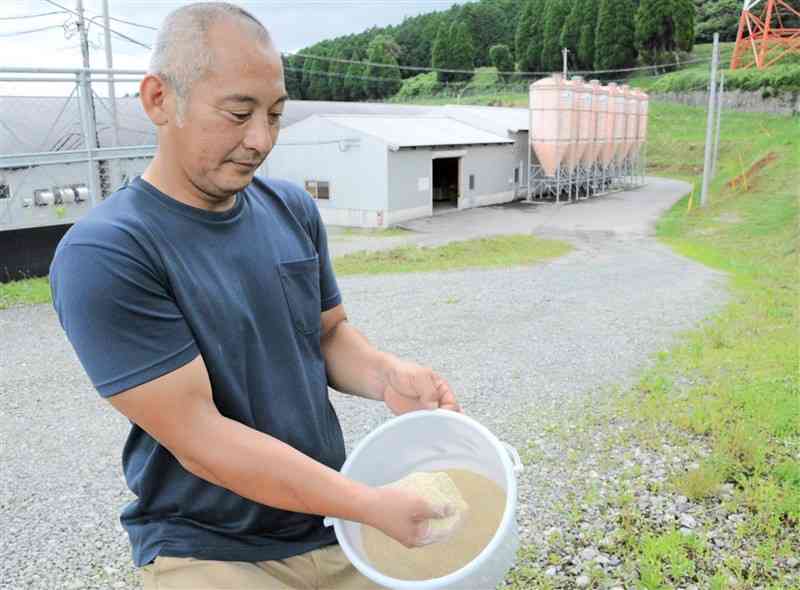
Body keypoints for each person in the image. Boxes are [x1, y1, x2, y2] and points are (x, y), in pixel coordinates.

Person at [49, 3, 462, 589]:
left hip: (329, 522)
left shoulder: (289, 208)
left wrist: (384, 375)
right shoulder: (108, 253)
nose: (261, 139)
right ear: (159, 100)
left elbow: (327, 334)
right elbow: (201, 439)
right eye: (239, 113)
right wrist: (368, 503)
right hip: (207, 546)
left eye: (274, 113)